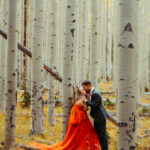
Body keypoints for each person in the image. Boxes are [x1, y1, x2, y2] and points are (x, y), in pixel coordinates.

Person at [31, 86, 101, 150]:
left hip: (79, 116)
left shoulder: (78, 99)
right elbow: (86, 108)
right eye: (83, 91)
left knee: (76, 135)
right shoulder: (81, 100)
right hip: (79, 117)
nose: (84, 92)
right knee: (78, 135)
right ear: (81, 92)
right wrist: (87, 99)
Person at [82, 80, 108, 150]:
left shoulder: (95, 93)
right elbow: (89, 98)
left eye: (84, 87)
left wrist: (85, 101)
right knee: (97, 133)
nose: (83, 89)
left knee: (102, 135)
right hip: (97, 117)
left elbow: (94, 105)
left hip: (100, 117)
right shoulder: (91, 93)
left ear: (89, 86)